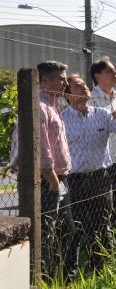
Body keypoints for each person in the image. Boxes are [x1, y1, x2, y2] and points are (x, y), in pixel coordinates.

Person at [62, 74, 116, 276]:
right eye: (78, 86)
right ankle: (70, 274)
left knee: (102, 226)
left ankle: (101, 271)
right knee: (74, 229)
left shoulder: (102, 114)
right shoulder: (63, 119)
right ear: (67, 95)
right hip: (74, 181)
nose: (84, 88)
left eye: (84, 84)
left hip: (100, 179)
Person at [10, 61, 72, 277]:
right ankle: (42, 280)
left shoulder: (53, 104)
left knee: (62, 232)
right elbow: (42, 152)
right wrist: (55, 183)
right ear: (44, 81)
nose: (66, 83)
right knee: (45, 234)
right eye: (61, 79)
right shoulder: (40, 107)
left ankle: (55, 277)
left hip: (58, 179)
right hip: (47, 181)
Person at [89, 57, 116, 231]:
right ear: (98, 76)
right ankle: (99, 246)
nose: (115, 73)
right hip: (101, 162)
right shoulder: (91, 99)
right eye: (109, 71)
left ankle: (115, 244)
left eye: (114, 71)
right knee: (100, 209)